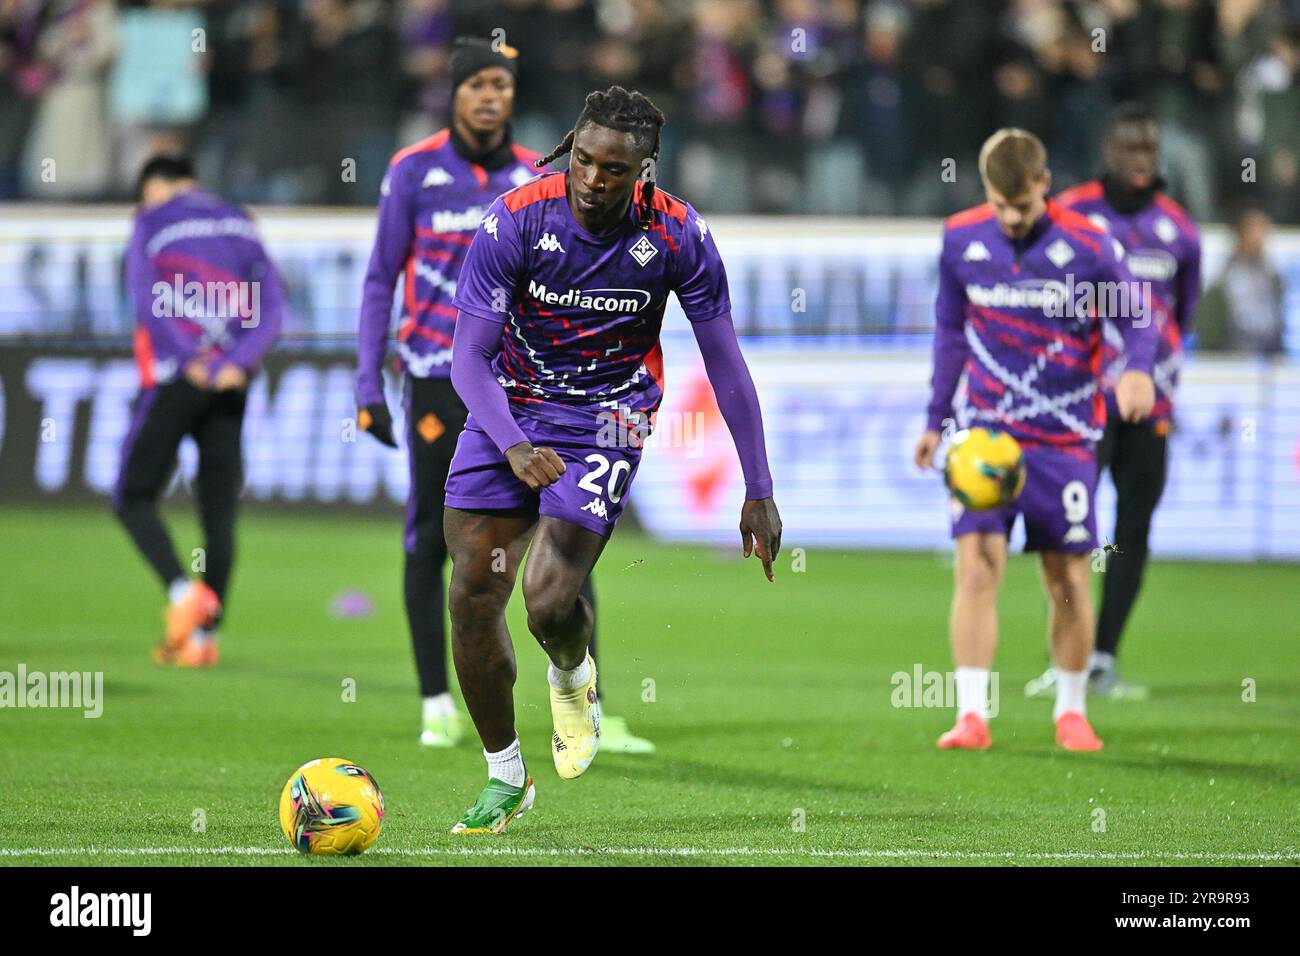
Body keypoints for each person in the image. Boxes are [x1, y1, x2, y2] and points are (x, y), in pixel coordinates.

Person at [443, 85, 781, 833]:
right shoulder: (516, 219)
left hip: (608, 417)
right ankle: (506, 776)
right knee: (471, 591)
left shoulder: (677, 235)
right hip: (511, 409)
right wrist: (513, 441)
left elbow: (724, 362)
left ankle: (572, 674)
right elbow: (467, 359)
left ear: (645, 171)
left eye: (614, 170)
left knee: (548, 602)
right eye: (584, 163)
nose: (594, 180)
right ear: (569, 152)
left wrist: (758, 486)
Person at [355, 38, 653, 754]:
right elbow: (378, 278)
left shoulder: (539, 173)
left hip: (533, 386)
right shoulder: (412, 172)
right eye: (477, 84)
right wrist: (369, 380)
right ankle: (436, 700)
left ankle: (592, 705)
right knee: (435, 541)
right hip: (438, 372)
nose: (490, 97)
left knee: (568, 534)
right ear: (454, 94)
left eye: (502, 86)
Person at [914, 129, 1158, 752]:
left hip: (1064, 438)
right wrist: (936, 419)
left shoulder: (1089, 245)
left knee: (1068, 580)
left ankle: (1071, 711)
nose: (1009, 219)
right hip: (985, 438)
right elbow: (949, 334)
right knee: (975, 571)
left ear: (1044, 186)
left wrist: (1136, 370)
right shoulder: (962, 239)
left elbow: (1138, 317)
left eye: (1019, 207)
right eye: (998, 205)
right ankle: (971, 715)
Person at [1027, 104, 1201, 701]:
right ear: (1108, 152)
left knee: (1133, 530)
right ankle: (1065, 657)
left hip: (1150, 407)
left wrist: (1153, 374)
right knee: (1067, 530)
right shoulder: (1071, 213)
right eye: (1131, 150)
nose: (1142, 162)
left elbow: (1183, 313)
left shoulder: (1180, 231)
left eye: (1150, 152)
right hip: (1082, 402)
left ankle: (1103, 656)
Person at [114, 154, 284, 666]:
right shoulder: (239, 220)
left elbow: (145, 299)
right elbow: (273, 304)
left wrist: (189, 359)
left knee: (133, 494)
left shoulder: (151, 219)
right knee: (218, 512)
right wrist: (240, 361)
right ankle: (204, 641)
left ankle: (180, 593)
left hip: (179, 380)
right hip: (230, 383)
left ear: (156, 185)